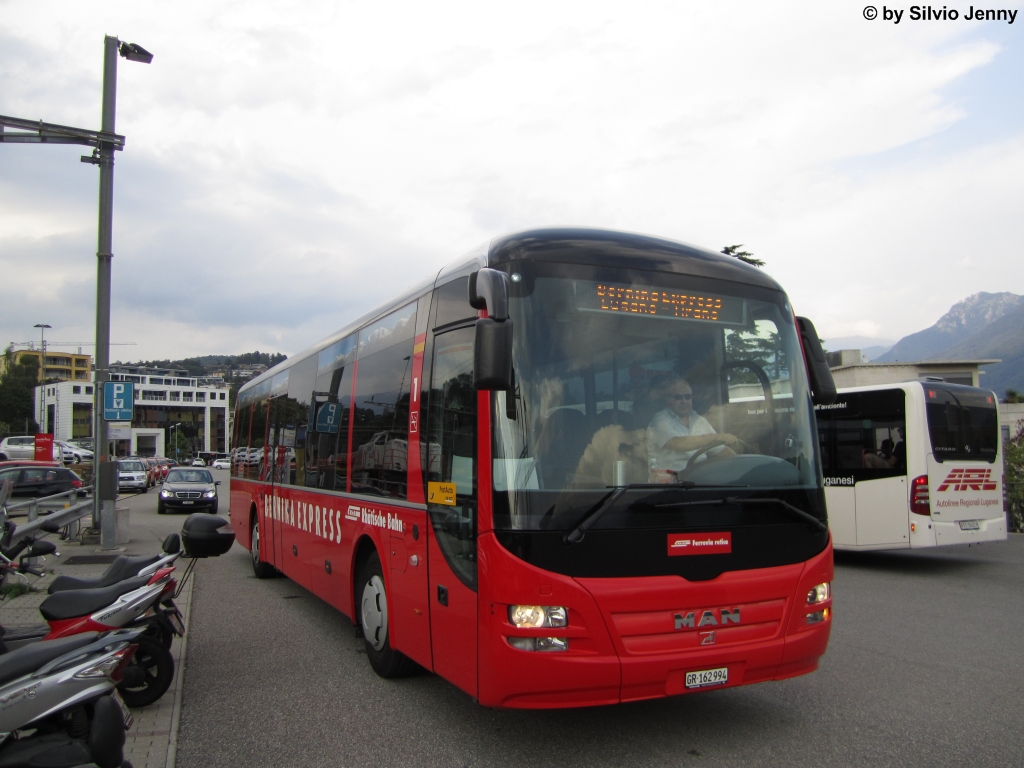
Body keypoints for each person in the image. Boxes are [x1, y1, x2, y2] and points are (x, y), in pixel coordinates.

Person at [646, 376, 742, 479]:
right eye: (678, 397)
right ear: (668, 400)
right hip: (671, 482)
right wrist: (715, 437)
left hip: (700, 478)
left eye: (687, 397)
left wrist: (740, 464)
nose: (684, 401)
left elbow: (719, 449)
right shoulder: (659, 421)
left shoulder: (700, 421)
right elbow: (676, 443)